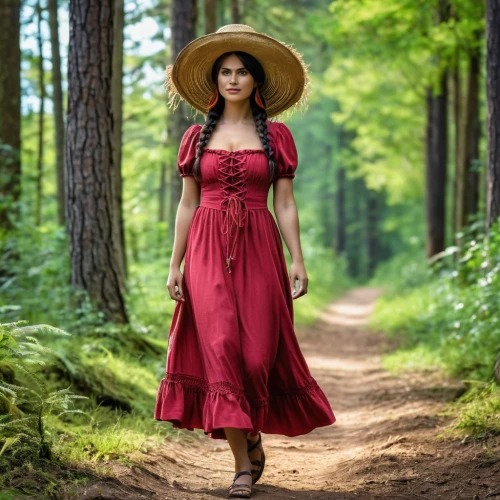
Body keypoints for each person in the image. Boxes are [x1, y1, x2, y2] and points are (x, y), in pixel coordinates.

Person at [154, 24, 336, 498]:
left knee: (256, 357)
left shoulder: (277, 135)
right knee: (219, 349)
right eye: (225, 72)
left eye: (242, 72)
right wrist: (175, 264)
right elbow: (187, 204)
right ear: (215, 81)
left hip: (259, 246)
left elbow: (287, 204)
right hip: (207, 248)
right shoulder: (196, 136)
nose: (233, 80)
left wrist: (298, 260)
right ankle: (240, 466)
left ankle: (251, 431)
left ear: (256, 81)